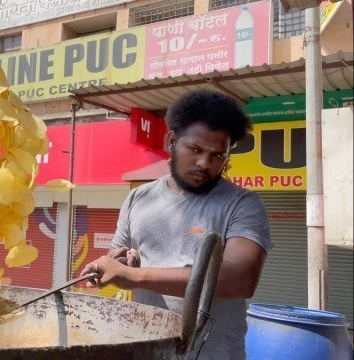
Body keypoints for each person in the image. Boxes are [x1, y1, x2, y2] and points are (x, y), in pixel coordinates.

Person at [80, 90, 271, 359]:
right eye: (195, 149)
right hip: (145, 350)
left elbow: (239, 280)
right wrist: (120, 264)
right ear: (171, 141)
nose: (205, 163)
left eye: (218, 155)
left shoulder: (243, 204)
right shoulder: (138, 198)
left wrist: (135, 277)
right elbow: (119, 256)